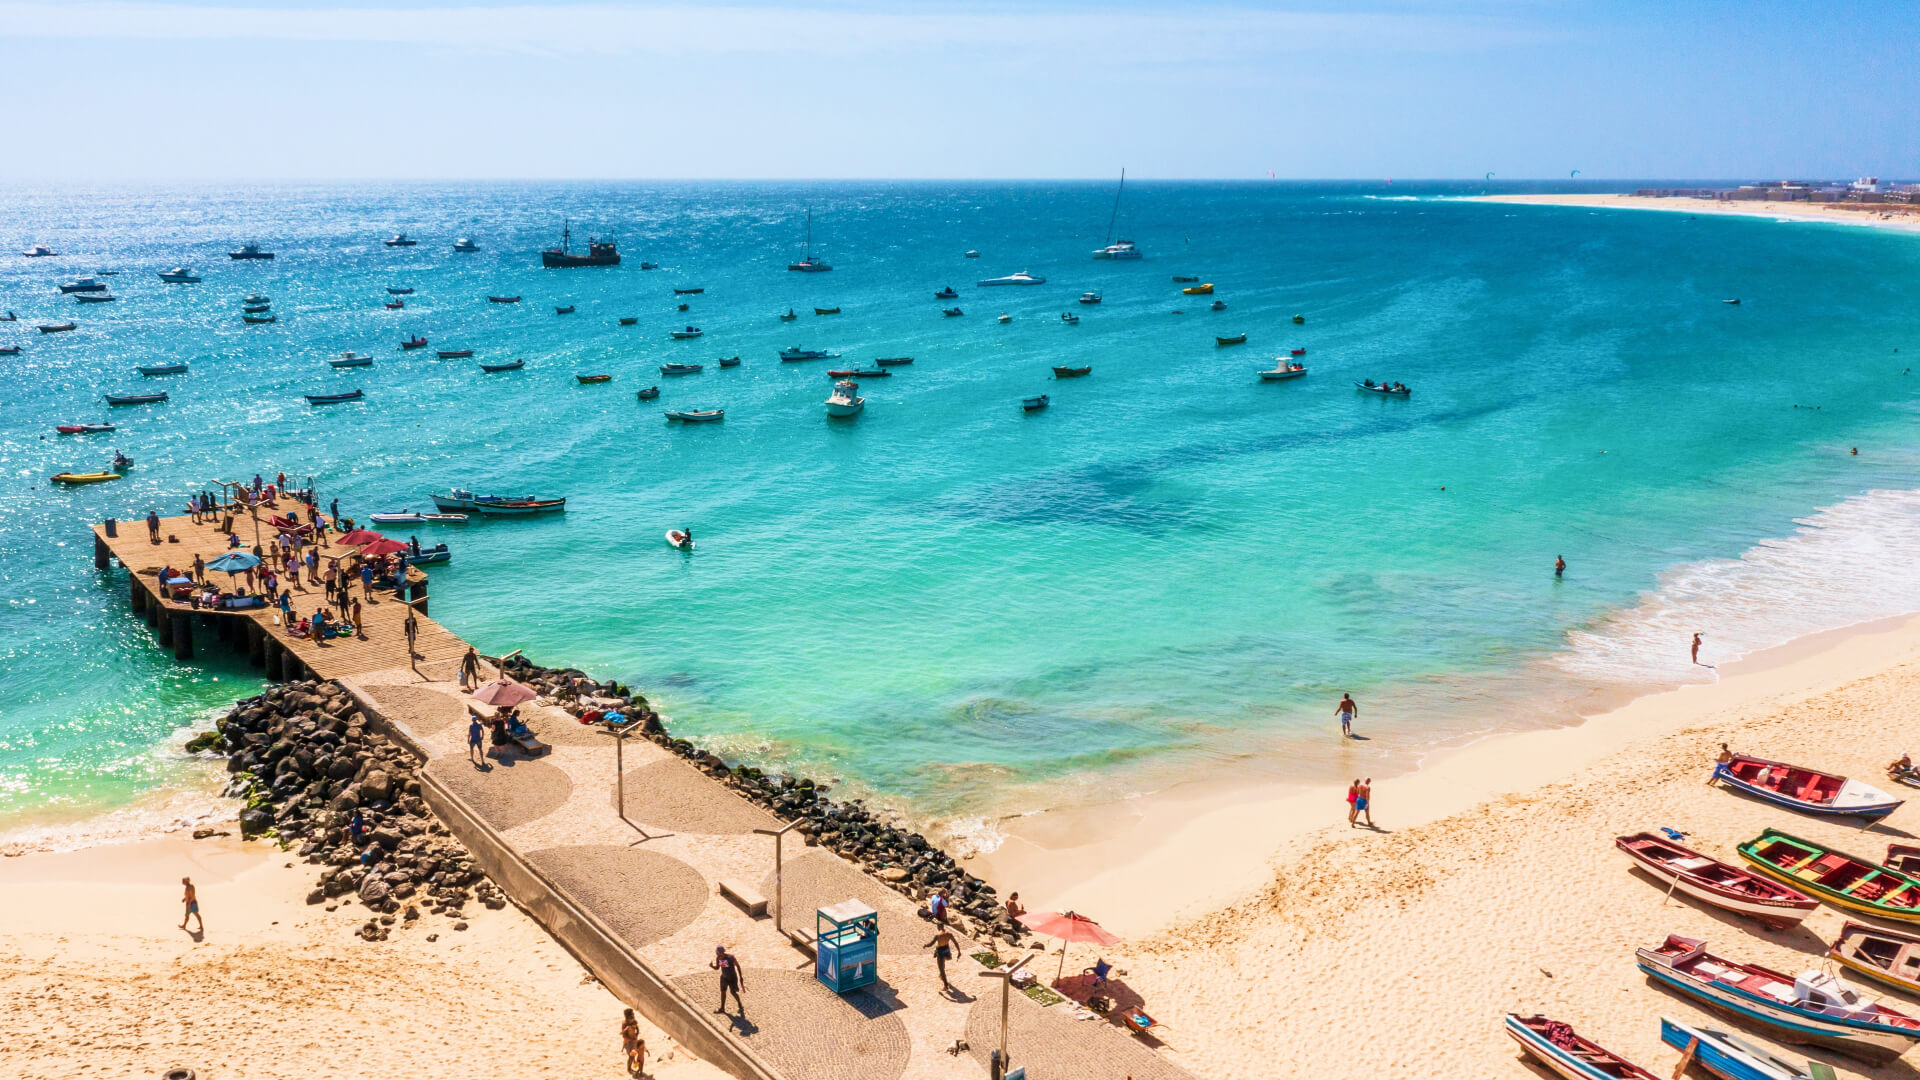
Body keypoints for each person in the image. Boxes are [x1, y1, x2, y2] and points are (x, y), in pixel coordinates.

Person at [711, 946, 744, 1014]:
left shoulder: (730, 958)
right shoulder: (718, 958)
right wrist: (712, 966)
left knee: (733, 992)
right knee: (723, 992)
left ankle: (740, 1004)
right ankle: (722, 1008)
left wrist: (740, 977)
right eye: (717, 953)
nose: (718, 954)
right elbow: (717, 968)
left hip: (732, 978)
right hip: (724, 978)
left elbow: (737, 966)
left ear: (722, 952)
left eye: (719, 953)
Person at [925, 924, 958, 991]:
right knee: (943, 963)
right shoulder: (949, 933)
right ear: (943, 926)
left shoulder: (937, 935)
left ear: (938, 927)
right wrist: (959, 951)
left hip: (940, 952)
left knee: (941, 969)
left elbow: (931, 944)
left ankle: (945, 985)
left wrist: (925, 945)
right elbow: (955, 942)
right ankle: (941, 975)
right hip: (946, 950)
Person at [621, 1008, 645, 1075]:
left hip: (634, 1041)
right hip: (628, 1042)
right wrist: (632, 1039)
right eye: (632, 1013)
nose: (633, 1014)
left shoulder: (634, 1021)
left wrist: (636, 1035)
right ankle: (629, 1069)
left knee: (635, 1055)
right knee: (631, 1056)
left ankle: (634, 1067)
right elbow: (624, 1035)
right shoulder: (624, 1023)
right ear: (628, 1015)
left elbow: (637, 1028)